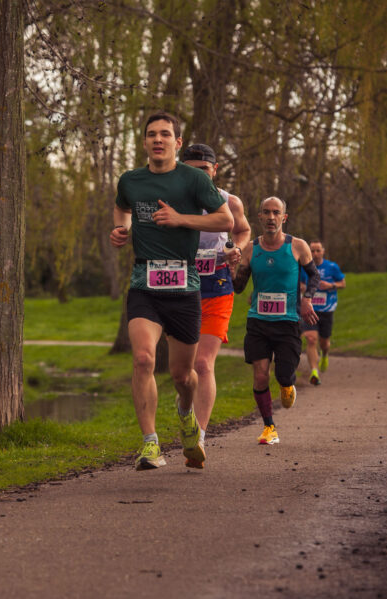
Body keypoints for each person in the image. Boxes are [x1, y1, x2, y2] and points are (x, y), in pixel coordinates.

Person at [109, 113, 234, 471]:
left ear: (177, 143)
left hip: (185, 285)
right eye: (151, 135)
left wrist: (181, 219)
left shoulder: (193, 179)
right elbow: (122, 206)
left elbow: (225, 220)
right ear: (145, 141)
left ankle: (185, 413)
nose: (158, 140)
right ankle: (150, 444)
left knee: (183, 375)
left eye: (165, 134)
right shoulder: (131, 180)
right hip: (144, 282)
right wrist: (121, 228)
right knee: (144, 359)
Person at [180, 144, 251, 467]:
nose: (198, 174)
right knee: (183, 371)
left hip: (217, 288)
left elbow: (243, 230)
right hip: (179, 289)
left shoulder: (229, 201)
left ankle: (200, 438)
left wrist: (236, 248)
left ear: (215, 169)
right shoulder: (172, 200)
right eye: (191, 168)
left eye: (203, 169)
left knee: (204, 365)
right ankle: (185, 411)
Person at [232, 197, 320, 445]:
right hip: (258, 321)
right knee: (260, 375)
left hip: (288, 322)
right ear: (259, 217)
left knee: (283, 375)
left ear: (284, 217)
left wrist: (307, 299)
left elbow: (314, 276)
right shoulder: (250, 249)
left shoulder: (298, 246)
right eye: (266, 213)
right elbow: (239, 287)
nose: (271, 217)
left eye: (276, 213)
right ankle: (269, 427)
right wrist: (231, 272)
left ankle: (287, 384)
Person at [300, 240, 346, 385]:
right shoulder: (304, 268)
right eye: (312, 251)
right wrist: (302, 288)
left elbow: (343, 283)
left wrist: (331, 285)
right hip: (310, 309)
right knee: (311, 338)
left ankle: (325, 354)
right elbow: (300, 283)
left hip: (327, 309)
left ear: (323, 251)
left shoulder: (332, 267)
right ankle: (314, 371)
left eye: (317, 250)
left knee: (324, 342)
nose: (315, 253)